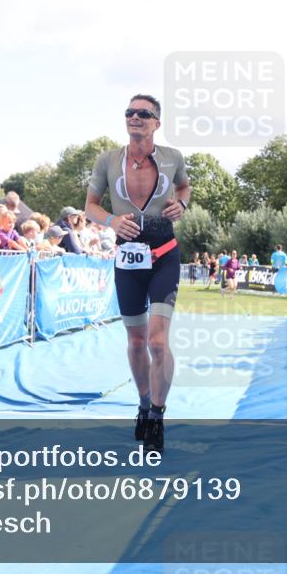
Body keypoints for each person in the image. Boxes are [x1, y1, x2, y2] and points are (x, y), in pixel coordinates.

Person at [85, 93, 190, 453]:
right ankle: (144, 404)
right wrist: (113, 220)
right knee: (136, 342)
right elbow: (90, 207)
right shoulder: (108, 160)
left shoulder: (173, 158)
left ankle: (158, 417)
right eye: (130, 112)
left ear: (156, 122)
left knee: (159, 342)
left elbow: (184, 187)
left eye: (143, 114)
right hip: (128, 259)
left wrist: (183, 203)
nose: (135, 117)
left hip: (163, 255)